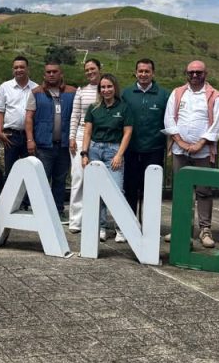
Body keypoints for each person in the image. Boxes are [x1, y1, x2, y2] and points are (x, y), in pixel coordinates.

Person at [163, 60, 219, 247]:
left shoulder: (216, 96)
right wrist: (181, 142)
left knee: (204, 191)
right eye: (191, 72)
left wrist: (200, 143)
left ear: (206, 73)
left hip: (204, 152)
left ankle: (205, 230)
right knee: (181, 191)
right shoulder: (177, 93)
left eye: (199, 72)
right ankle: (180, 229)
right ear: (186, 73)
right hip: (179, 150)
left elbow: (217, 124)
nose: (195, 75)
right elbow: (169, 119)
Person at [81, 74, 133, 243]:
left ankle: (121, 228)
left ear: (115, 87)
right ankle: (101, 227)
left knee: (117, 191)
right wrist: (84, 153)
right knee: (97, 192)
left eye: (109, 86)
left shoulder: (124, 107)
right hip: (95, 150)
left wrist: (119, 155)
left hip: (113, 151)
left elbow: (127, 133)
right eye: (103, 87)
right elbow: (88, 132)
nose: (106, 90)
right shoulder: (94, 108)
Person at [24, 59, 76, 218]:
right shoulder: (36, 93)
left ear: (61, 74)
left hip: (64, 145)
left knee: (60, 180)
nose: (51, 74)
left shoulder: (72, 92)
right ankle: (36, 209)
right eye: (48, 72)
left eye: (55, 71)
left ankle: (58, 211)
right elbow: (28, 118)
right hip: (43, 145)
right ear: (44, 74)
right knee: (41, 179)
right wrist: (30, 140)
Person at [122, 58, 170, 221]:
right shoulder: (126, 93)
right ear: (135, 73)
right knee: (130, 188)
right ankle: (130, 223)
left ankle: (150, 225)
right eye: (140, 71)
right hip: (131, 149)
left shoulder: (164, 95)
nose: (143, 74)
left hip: (154, 150)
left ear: (153, 73)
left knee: (151, 190)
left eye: (147, 71)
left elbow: (170, 121)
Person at [0, 56, 37, 208]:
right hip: (10, 135)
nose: (19, 70)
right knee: (10, 171)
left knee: (29, 171)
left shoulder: (36, 88)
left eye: (22, 67)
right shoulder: (4, 87)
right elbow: (0, 111)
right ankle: (9, 204)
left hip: (29, 136)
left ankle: (26, 202)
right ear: (13, 69)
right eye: (16, 67)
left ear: (28, 68)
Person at [67, 59, 101, 234]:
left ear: (99, 69)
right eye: (87, 70)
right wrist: (72, 138)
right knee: (78, 179)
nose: (90, 72)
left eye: (93, 69)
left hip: (101, 140)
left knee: (98, 181)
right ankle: (76, 221)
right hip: (81, 139)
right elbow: (75, 116)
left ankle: (95, 221)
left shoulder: (107, 89)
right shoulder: (81, 91)